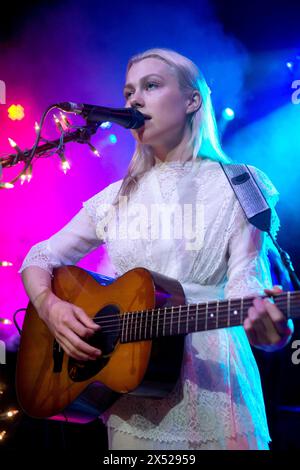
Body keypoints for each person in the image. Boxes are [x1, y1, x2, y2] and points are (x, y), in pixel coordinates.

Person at [19, 48, 294, 450]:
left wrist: (268, 329)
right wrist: (51, 307)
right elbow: (39, 257)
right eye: (129, 91)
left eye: (151, 85)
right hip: (132, 397)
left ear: (192, 100)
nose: (133, 100)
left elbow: (246, 287)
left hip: (215, 389)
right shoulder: (115, 198)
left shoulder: (242, 183)